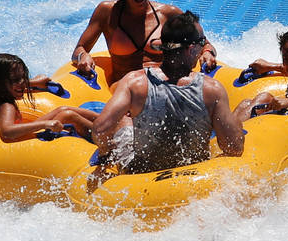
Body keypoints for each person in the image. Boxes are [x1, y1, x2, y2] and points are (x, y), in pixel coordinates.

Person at [90, 11, 243, 181]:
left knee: (125, 119)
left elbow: (100, 129)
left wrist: (106, 155)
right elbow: (234, 148)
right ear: (191, 49)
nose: (202, 48)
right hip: (195, 175)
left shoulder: (134, 82)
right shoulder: (212, 89)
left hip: (140, 175)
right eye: (202, 42)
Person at [71, 0, 218, 85]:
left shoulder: (169, 14)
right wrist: (83, 55)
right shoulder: (107, 13)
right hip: (126, 89)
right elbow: (79, 49)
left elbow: (204, 44)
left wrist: (207, 52)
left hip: (165, 86)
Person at [0, 53, 98, 142]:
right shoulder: (6, 106)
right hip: (18, 140)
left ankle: (104, 120)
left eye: (23, 77)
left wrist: (34, 83)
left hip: (21, 133)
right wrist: (45, 124)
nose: (22, 82)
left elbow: (15, 86)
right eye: (16, 79)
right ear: (0, 83)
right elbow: (7, 132)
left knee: (62, 109)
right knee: (68, 115)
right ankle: (103, 134)